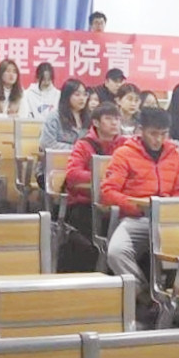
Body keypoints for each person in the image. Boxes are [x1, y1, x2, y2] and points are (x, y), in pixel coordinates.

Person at [103, 108, 179, 323]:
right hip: (136, 217)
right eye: (153, 133)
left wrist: (169, 209)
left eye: (163, 134)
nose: (158, 139)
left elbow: (178, 191)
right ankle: (145, 295)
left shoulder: (174, 155)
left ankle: (176, 299)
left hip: (165, 221)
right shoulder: (124, 153)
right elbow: (109, 192)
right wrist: (136, 207)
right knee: (116, 252)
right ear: (141, 130)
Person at [61, 103, 128, 271]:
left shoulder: (125, 144)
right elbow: (72, 175)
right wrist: (105, 178)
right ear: (96, 122)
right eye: (109, 119)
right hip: (86, 202)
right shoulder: (84, 144)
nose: (114, 123)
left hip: (115, 202)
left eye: (117, 119)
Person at [39, 78, 90, 150]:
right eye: (77, 94)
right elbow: (47, 143)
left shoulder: (90, 118)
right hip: (59, 156)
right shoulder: (54, 117)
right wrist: (76, 149)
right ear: (67, 96)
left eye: (85, 94)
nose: (82, 98)